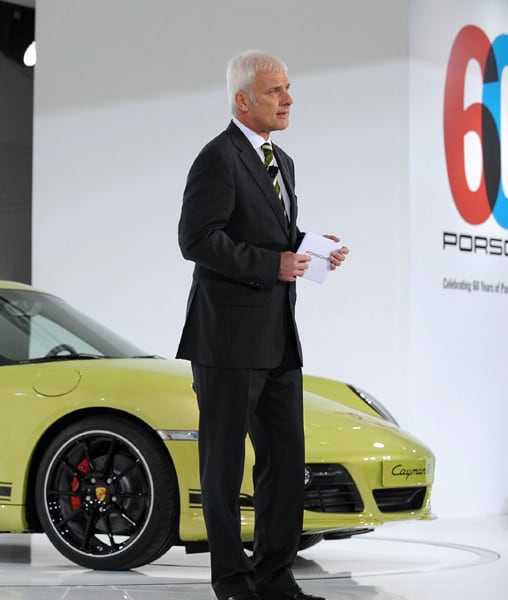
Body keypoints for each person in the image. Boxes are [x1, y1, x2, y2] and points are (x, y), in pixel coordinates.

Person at [176, 50, 349, 600]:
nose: (289, 99)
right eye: (276, 91)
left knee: (284, 463)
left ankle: (276, 581)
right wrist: (269, 264)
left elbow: (267, 236)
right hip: (226, 340)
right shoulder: (217, 158)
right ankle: (233, 584)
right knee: (223, 470)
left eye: (288, 88)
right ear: (243, 99)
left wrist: (310, 251)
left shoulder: (283, 161)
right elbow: (196, 240)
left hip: (278, 338)